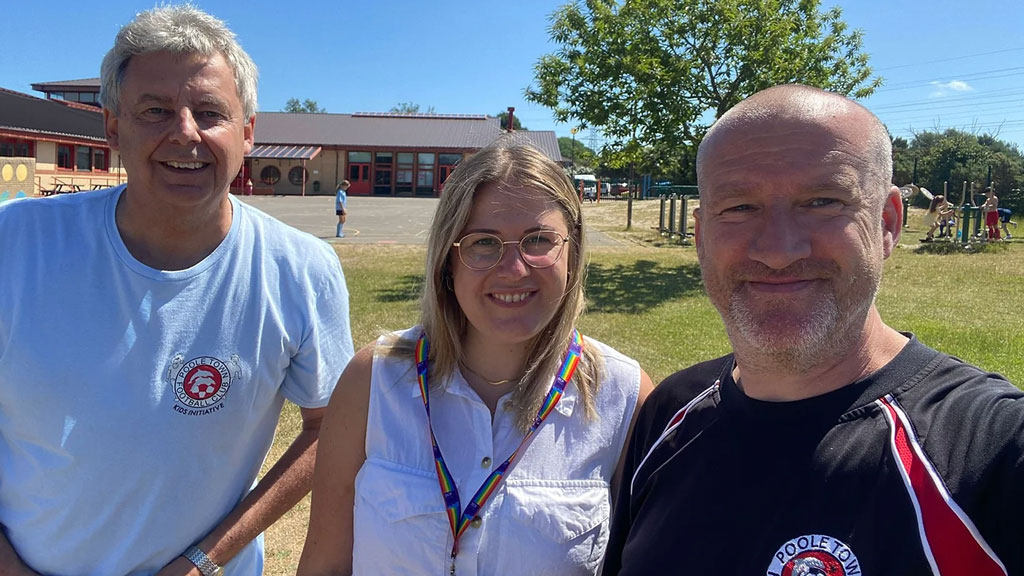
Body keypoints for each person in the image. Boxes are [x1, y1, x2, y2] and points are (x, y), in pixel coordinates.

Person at [602, 85, 1024, 575]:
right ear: (700, 235)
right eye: (739, 207)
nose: (779, 249)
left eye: (822, 201)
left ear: (887, 222)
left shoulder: (991, 449)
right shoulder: (669, 415)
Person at [0, 5, 354, 576]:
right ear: (113, 127)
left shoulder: (300, 270)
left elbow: (328, 429)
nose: (185, 132)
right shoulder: (15, 244)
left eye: (210, 112)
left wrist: (205, 561)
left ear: (247, 132)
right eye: (155, 110)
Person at [298, 141, 653, 576]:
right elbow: (326, 565)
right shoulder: (372, 380)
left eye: (538, 240)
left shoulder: (624, 396)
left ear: (573, 252)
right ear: (449, 260)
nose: (514, 269)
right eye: (483, 243)